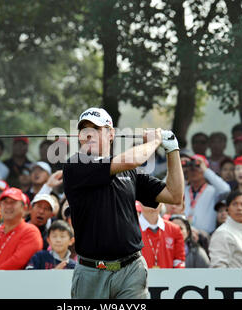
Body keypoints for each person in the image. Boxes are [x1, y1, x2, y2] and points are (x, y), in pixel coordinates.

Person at [63, 107, 184, 299]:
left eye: (96, 128)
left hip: (131, 270)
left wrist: (172, 149)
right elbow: (132, 160)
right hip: (91, 272)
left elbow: (174, 195)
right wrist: (155, 141)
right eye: (84, 129)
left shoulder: (129, 172)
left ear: (111, 134)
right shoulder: (75, 166)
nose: (88, 134)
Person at [0, 187, 42, 270]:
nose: (8, 206)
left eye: (13, 202)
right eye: (5, 202)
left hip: (16, 282)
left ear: (24, 208)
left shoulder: (31, 232)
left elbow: (18, 261)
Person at [183, 154, 231, 234]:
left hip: (205, 236)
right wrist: (178, 169)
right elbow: (164, 190)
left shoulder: (213, 191)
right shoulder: (183, 189)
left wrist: (206, 170)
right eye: (190, 168)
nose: (193, 170)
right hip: (184, 234)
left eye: (197, 167)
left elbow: (226, 189)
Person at [209, 191, 242, 268]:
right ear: (228, 209)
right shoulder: (223, 233)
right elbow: (218, 268)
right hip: (231, 280)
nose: (239, 208)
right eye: (234, 204)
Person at [138, 202, 185, 268]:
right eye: (146, 196)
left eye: (156, 197)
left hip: (169, 278)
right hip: (140, 278)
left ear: (162, 202)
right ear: (139, 201)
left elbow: (179, 262)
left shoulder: (175, 230)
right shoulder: (131, 230)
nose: (151, 200)